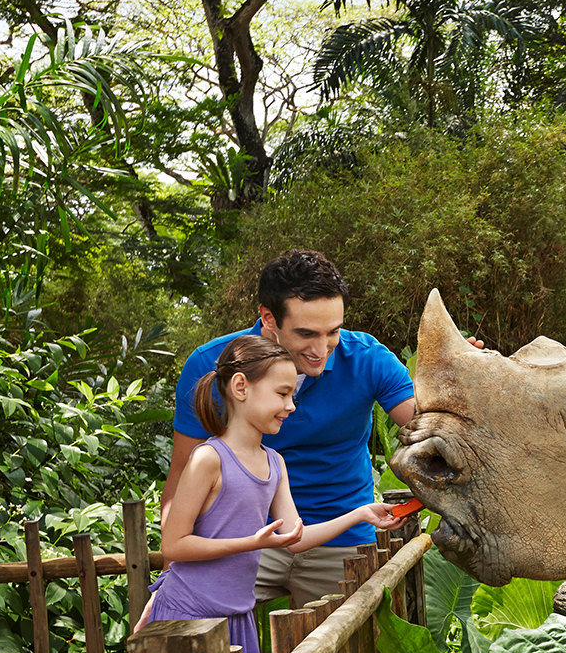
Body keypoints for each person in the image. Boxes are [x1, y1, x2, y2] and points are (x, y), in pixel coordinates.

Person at [161, 249, 416, 612]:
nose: (321, 349)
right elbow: (180, 470)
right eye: (306, 333)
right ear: (268, 318)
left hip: (339, 537)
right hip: (242, 539)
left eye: (333, 332)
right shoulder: (210, 363)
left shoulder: (367, 359)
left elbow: (428, 425)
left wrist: (456, 383)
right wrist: (173, 568)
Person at [138, 335, 403, 653]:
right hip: (189, 615)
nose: (291, 406)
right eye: (282, 394)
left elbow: (296, 538)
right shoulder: (207, 459)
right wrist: (253, 543)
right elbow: (174, 544)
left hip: (238, 617)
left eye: (293, 394)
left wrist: (360, 514)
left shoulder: (275, 463)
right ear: (240, 387)